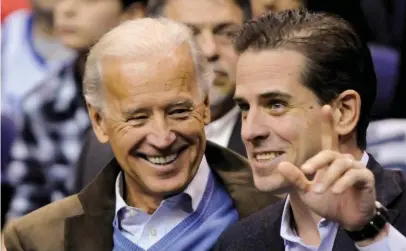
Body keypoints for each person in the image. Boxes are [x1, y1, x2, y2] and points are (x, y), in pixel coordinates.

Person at [3, 18, 277, 251]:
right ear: (98, 121)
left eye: (178, 111)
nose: (162, 138)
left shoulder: (280, 212)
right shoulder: (38, 240)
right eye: (138, 118)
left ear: (205, 106)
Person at [215, 9, 406, 250]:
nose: (249, 132)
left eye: (276, 105)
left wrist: (370, 233)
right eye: (245, 107)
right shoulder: (237, 243)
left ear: (344, 112)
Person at [73, 0, 252, 192]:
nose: (209, 50)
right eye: (191, 34)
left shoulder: (270, 139)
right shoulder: (99, 152)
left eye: (227, 33)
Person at [5, 0, 148, 220]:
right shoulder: (41, 103)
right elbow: (28, 205)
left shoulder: (162, 98)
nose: (66, 9)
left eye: (88, 0)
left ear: (132, 14)